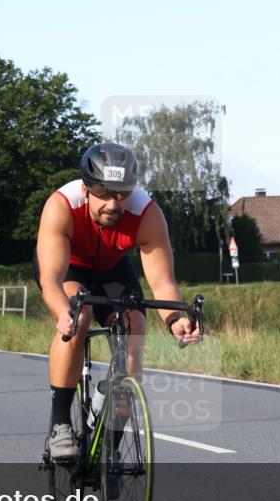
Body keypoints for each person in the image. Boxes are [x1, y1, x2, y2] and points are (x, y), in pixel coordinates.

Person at [34, 143, 202, 461]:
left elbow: (163, 281)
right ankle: (60, 425)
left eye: (122, 194)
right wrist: (61, 312)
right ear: (86, 190)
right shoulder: (62, 206)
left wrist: (175, 320)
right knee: (78, 316)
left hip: (112, 267)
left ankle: (109, 445)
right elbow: (51, 279)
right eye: (104, 194)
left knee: (134, 333)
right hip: (70, 266)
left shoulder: (147, 214)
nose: (113, 204)